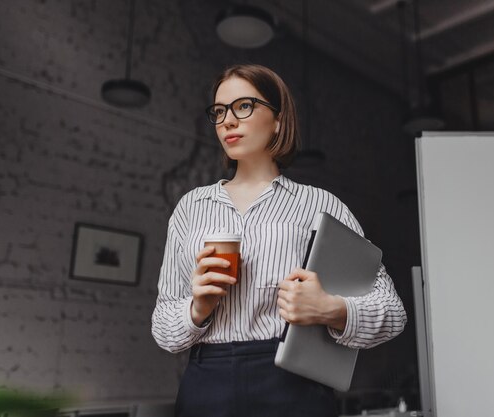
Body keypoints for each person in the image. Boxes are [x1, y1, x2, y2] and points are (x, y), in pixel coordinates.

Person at [152, 64, 407, 417]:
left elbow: (393, 312)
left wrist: (330, 309)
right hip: (205, 387)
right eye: (219, 111)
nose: (227, 121)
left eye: (243, 106)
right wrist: (197, 309)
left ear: (278, 119)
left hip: (294, 386)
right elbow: (164, 330)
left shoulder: (321, 205)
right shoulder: (190, 207)